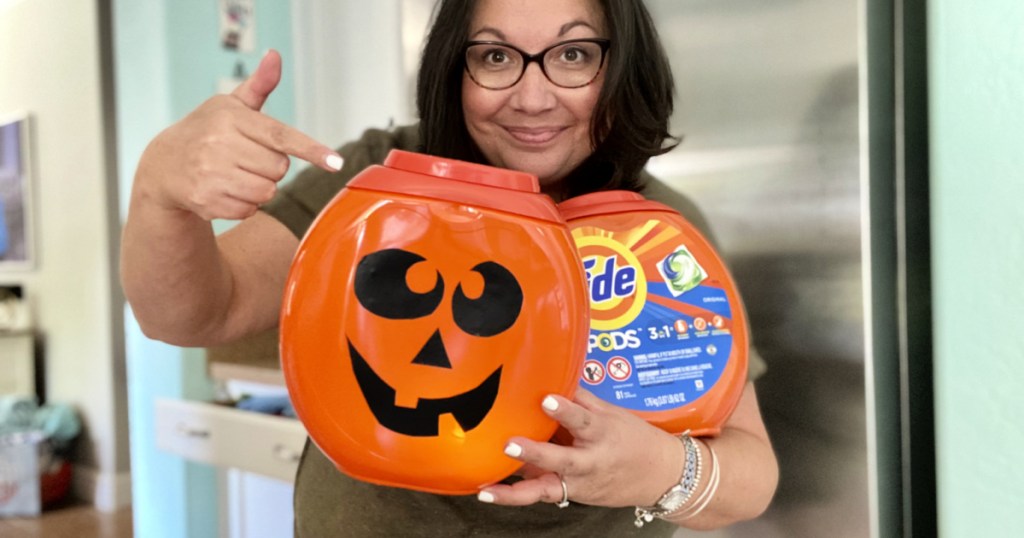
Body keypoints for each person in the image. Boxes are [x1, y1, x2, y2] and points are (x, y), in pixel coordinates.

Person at [120, 0, 779, 536]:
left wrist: (665, 468)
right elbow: (194, 312)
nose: (531, 97)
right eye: (494, 56)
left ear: (622, 66)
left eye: (573, 54)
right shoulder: (377, 185)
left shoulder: (657, 234)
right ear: (452, 70)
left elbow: (751, 474)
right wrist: (159, 191)